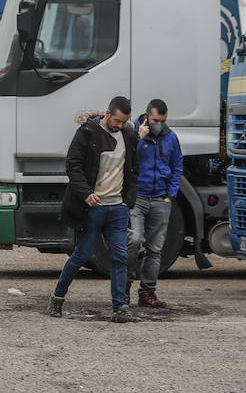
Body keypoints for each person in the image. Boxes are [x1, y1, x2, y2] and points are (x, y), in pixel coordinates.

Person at [47, 96, 140, 324]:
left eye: (124, 121)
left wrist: (127, 200)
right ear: (107, 114)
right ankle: (57, 297)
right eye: (117, 120)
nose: (120, 125)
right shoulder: (87, 133)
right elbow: (73, 165)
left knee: (120, 257)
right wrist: (86, 193)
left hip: (117, 208)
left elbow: (134, 168)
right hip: (92, 208)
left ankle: (120, 308)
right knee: (81, 255)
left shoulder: (128, 134)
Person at [128, 99, 181, 308]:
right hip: (138, 198)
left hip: (161, 199)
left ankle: (147, 292)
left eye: (162, 120)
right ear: (147, 116)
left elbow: (177, 166)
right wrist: (138, 139)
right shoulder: (132, 132)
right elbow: (126, 160)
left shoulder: (170, 137)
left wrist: (170, 195)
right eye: (155, 120)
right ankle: (123, 290)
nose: (158, 124)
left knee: (155, 249)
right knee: (134, 241)